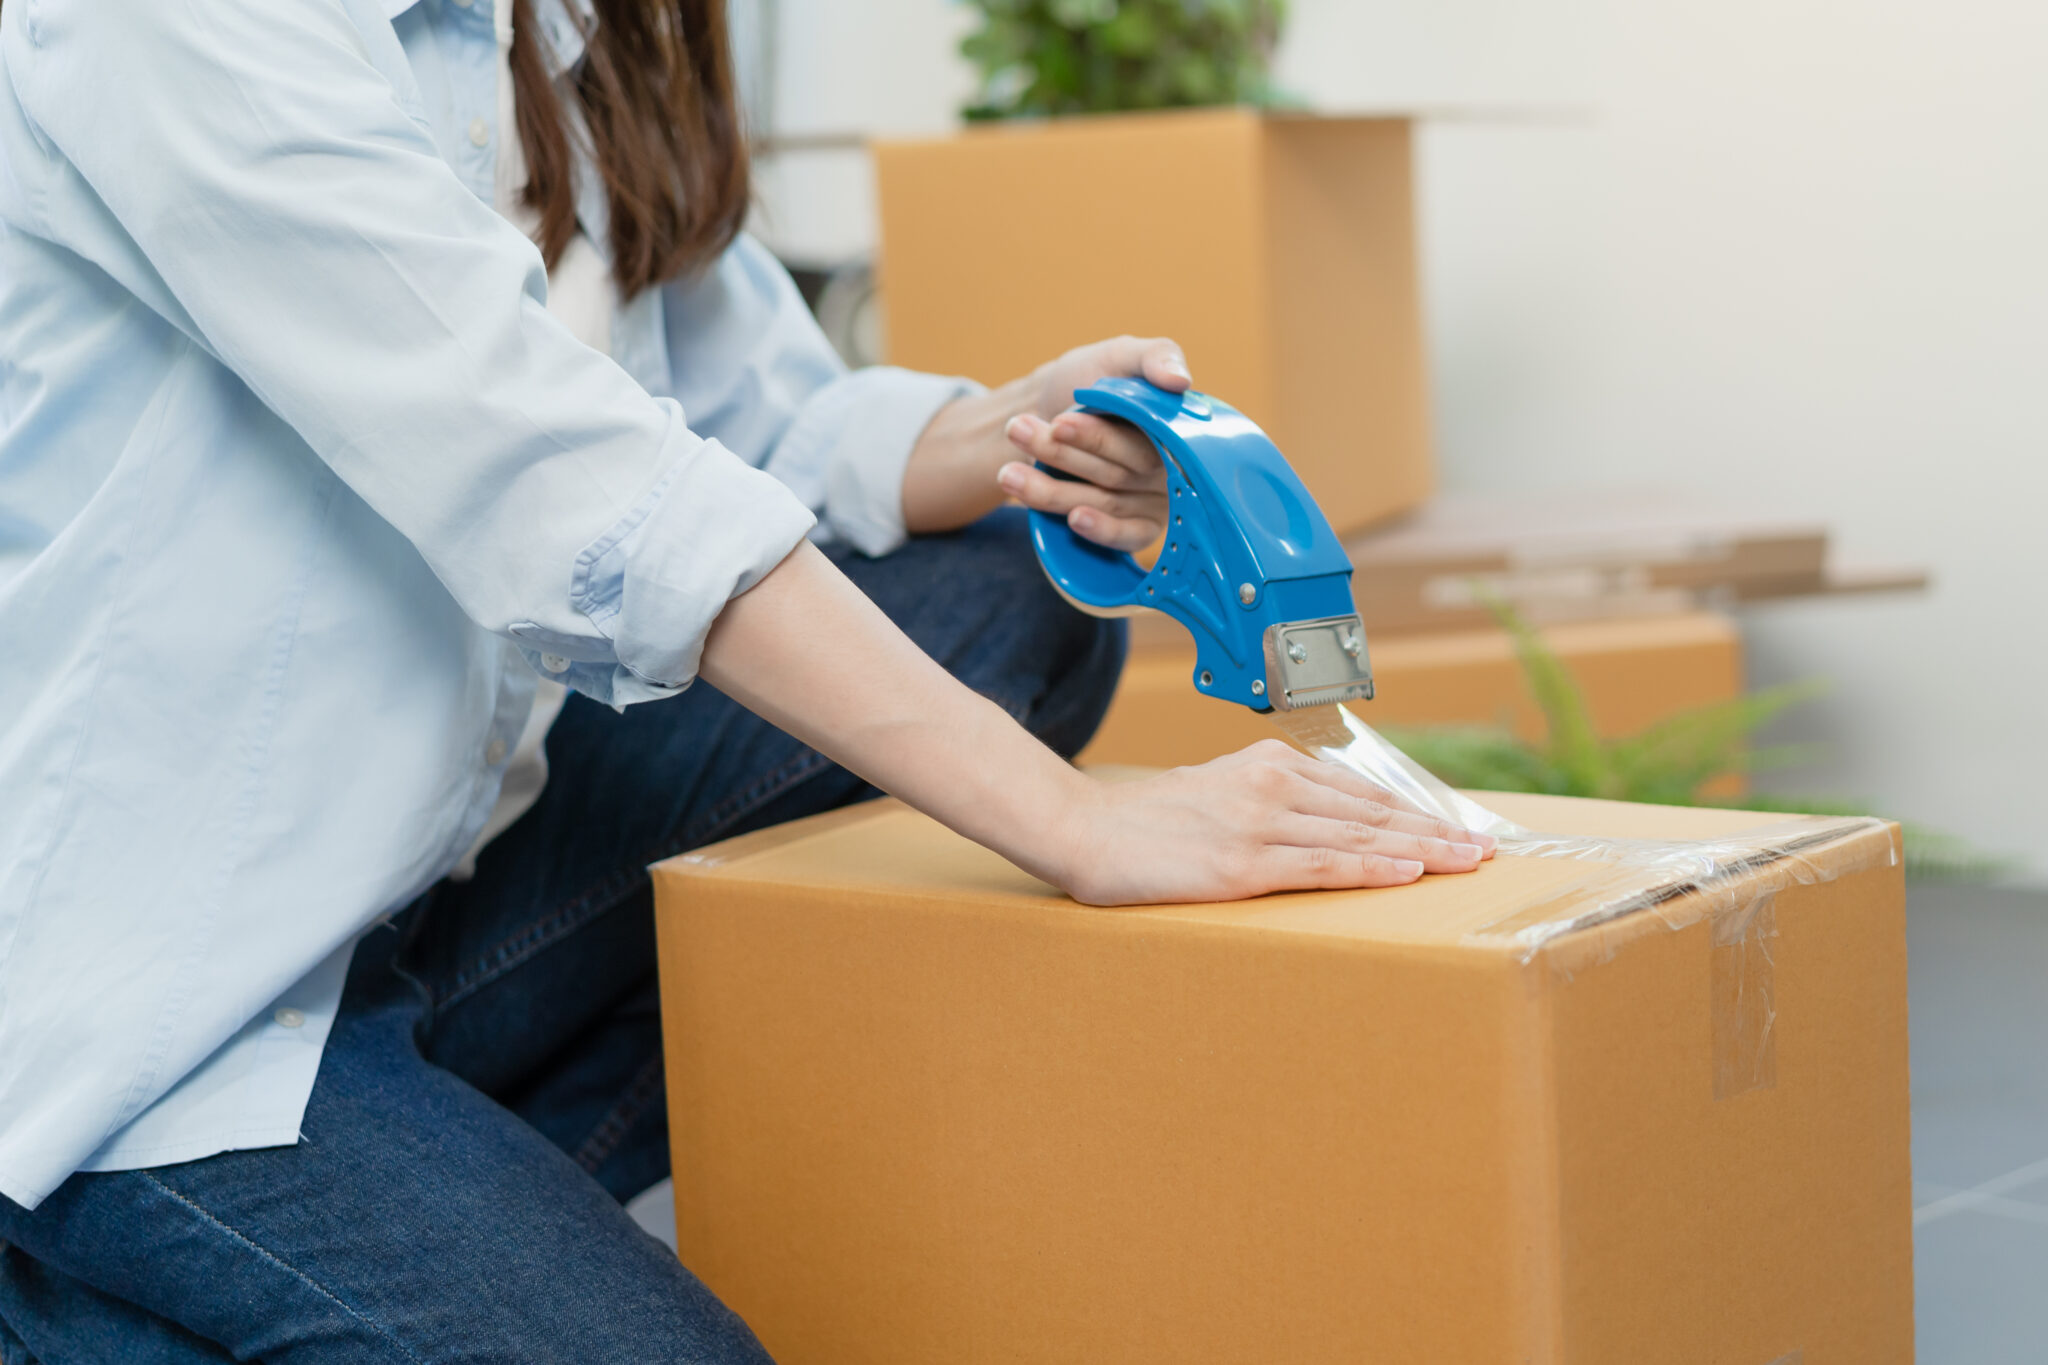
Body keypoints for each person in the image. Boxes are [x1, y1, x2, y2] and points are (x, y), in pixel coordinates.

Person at [0, 0, 1496, 1357]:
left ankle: (402, 1212)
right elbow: (565, 475)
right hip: (174, 1001)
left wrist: (1006, 437)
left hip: (423, 897)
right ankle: (103, 1277)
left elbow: (733, 416)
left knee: (1004, 597)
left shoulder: (558, 36)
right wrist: (1081, 823)